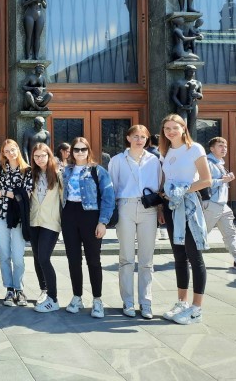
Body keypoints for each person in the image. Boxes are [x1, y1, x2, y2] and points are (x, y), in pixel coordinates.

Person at [159, 114, 211, 325]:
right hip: (171, 206)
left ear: (184, 128)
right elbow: (166, 181)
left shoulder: (195, 148)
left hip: (189, 204)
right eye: (167, 128)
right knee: (179, 255)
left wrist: (182, 190)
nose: (171, 131)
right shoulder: (166, 152)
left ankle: (196, 309)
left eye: (175, 127)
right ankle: (182, 302)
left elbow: (206, 180)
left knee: (194, 255)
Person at [108, 125, 162, 319]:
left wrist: (160, 210)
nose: (140, 140)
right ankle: (128, 301)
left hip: (149, 208)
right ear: (128, 138)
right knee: (127, 258)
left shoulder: (154, 160)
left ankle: (146, 302)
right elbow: (112, 187)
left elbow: (158, 185)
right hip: (126, 206)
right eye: (136, 136)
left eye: (143, 137)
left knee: (147, 259)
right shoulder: (117, 160)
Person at [61, 137, 115, 318]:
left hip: (90, 216)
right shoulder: (66, 171)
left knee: (93, 260)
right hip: (69, 215)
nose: (80, 153)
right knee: (73, 259)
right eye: (76, 149)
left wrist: (103, 222)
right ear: (71, 152)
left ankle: (97, 300)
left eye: (83, 149)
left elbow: (108, 197)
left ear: (88, 151)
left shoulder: (97, 171)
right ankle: (77, 297)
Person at [0, 139, 33, 307]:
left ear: (18, 149)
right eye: (6, 151)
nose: (10, 153)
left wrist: (5, 192)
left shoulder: (27, 170)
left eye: (12, 149)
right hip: (0, 213)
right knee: (4, 254)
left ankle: (19, 288)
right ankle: (9, 288)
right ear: (3, 153)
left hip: (19, 216)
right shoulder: (0, 169)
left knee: (18, 256)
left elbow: (26, 195)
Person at [30, 143, 63, 313]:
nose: (39, 159)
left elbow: (64, 199)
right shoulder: (31, 174)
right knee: (37, 257)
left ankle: (53, 298)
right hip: (34, 220)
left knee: (44, 257)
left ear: (49, 156)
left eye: (43, 155)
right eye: (36, 156)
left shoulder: (58, 174)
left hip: (51, 222)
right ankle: (43, 290)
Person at [203, 137, 236, 268]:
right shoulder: (207, 162)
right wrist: (222, 180)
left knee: (230, 232)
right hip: (211, 203)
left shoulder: (219, 163)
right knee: (201, 233)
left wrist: (225, 179)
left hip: (222, 204)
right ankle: (188, 256)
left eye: (225, 146)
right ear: (212, 148)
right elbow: (203, 182)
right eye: (220, 146)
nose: (224, 149)